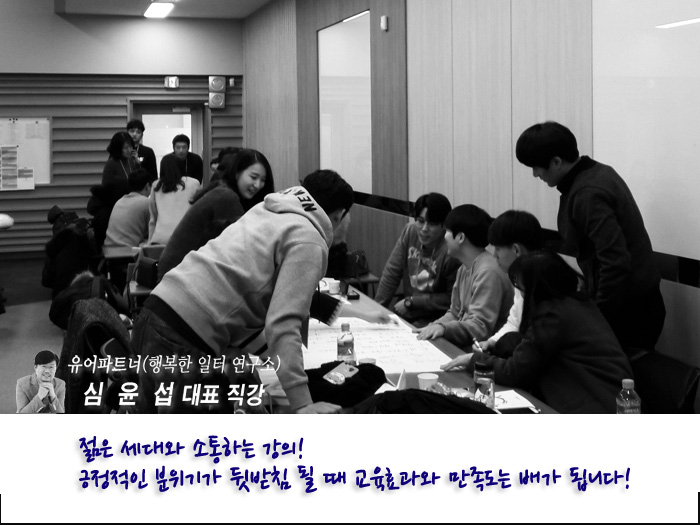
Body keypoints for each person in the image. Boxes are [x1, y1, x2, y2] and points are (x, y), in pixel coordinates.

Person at [131, 170, 391, 414]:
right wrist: (302, 403)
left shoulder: (267, 211)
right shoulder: (309, 238)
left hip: (154, 313)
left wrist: (279, 366)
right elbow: (283, 323)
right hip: (184, 337)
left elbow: (244, 299)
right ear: (339, 215)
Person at [515, 121, 665, 356]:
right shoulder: (596, 172)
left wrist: (596, 317)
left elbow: (615, 263)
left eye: (536, 167)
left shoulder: (588, 193)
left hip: (628, 310)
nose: (535, 174)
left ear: (557, 161)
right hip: (630, 301)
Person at [442, 251, 633, 414]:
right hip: (613, 399)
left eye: (522, 290)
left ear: (537, 288)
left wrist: (474, 360)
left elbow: (515, 372)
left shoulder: (552, 315)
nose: (522, 296)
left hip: (590, 403)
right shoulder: (579, 302)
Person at [158, 148, 274, 280]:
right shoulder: (226, 197)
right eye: (253, 177)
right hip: (177, 276)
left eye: (263, 180)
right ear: (237, 173)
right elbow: (242, 249)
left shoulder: (222, 189)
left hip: (180, 272)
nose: (258, 185)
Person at [415, 204, 513, 347]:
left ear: (460, 237)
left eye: (447, 231)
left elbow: (480, 327)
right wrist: (433, 327)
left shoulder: (488, 272)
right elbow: (455, 313)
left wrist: (443, 328)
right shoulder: (464, 267)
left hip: (484, 352)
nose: (444, 236)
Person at [374, 193, 460, 327]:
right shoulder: (410, 231)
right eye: (420, 221)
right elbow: (391, 273)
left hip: (435, 320)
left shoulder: (450, 251)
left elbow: (451, 299)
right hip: (408, 313)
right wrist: (376, 309)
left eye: (432, 224)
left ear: (444, 225)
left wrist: (413, 302)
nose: (424, 229)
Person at [473, 209, 543, 354]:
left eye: (498, 249)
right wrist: (491, 342)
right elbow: (514, 323)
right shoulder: (521, 277)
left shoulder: (545, 282)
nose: (494, 255)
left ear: (516, 250)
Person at [147, 155, 200, 245]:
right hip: (186, 236)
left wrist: (149, 243)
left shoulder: (156, 185)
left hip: (160, 237)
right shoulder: (194, 183)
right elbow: (198, 211)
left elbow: (153, 217)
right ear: (181, 166)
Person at [104, 168, 152, 248]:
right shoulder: (146, 202)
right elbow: (154, 231)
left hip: (108, 249)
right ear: (147, 186)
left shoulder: (119, 201)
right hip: (128, 251)